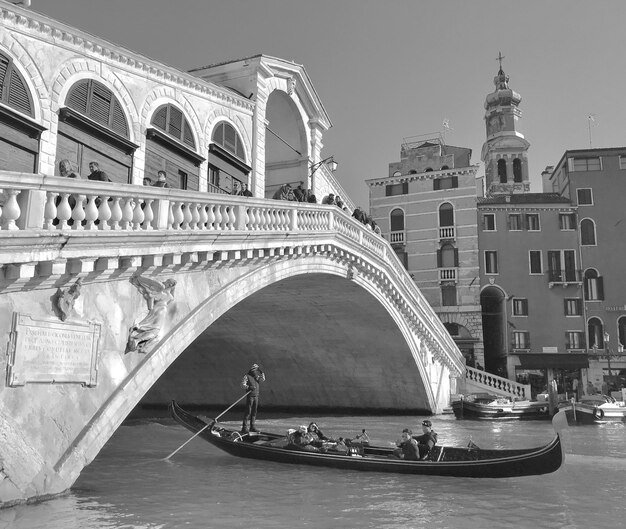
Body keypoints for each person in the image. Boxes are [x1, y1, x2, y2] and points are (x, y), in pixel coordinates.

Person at [241, 363, 265, 434]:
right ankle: (244, 427)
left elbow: (263, 379)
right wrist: (249, 387)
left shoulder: (257, 377)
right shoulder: (246, 376)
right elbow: (242, 385)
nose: (256, 371)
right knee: (248, 412)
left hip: (256, 396)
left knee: (254, 412)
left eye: (257, 370)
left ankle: (252, 427)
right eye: (255, 369)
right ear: (252, 370)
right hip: (250, 396)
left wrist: (262, 372)